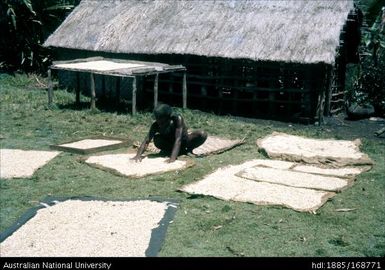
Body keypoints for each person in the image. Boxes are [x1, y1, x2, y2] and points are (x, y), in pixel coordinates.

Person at [132, 104, 208, 163]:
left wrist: (172, 158)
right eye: (157, 118)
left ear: (167, 117)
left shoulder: (177, 119)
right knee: (157, 138)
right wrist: (138, 155)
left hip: (184, 142)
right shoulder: (155, 125)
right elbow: (146, 140)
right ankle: (176, 152)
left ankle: (188, 150)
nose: (158, 121)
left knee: (202, 134)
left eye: (160, 119)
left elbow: (178, 139)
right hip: (169, 145)